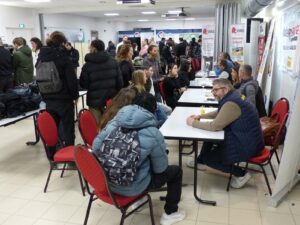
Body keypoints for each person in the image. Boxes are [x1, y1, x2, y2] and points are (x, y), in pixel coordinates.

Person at [93, 92, 185, 225]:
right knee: (176, 172)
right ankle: (170, 213)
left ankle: (139, 201)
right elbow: (161, 169)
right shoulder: (153, 133)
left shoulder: (115, 122)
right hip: (132, 187)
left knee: (144, 162)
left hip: (106, 182)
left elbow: (96, 147)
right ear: (154, 109)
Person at [186, 79, 264, 188]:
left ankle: (242, 174)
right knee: (210, 138)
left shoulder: (231, 102)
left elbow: (215, 126)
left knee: (210, 158)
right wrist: (201, 116)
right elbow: (221, 112)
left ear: (225, 89)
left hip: (245, 144)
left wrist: (193, 123)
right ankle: (200, 161)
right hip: (250, 139)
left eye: (215, 90)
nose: (213, 93)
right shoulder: (235, 96)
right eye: (212, 90)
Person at [37, 31, 79, 148]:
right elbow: (72, 81)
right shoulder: (63, 58)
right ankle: (70, 153)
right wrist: (75, 96)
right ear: (62, 43)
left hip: (48, 99)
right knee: (68, 129)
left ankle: (52, 155)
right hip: (64, 99)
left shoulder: (41, 58)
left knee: (51, 129)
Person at [80, 39, 123, 123]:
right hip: (111, 100)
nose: (89, 48)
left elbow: (83, 84)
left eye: (90, 47)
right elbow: (120, 83)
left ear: (94, 49)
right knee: (111, 126)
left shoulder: (87, 65)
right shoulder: (114, 62)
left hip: (94, 102)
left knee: (97, 127)